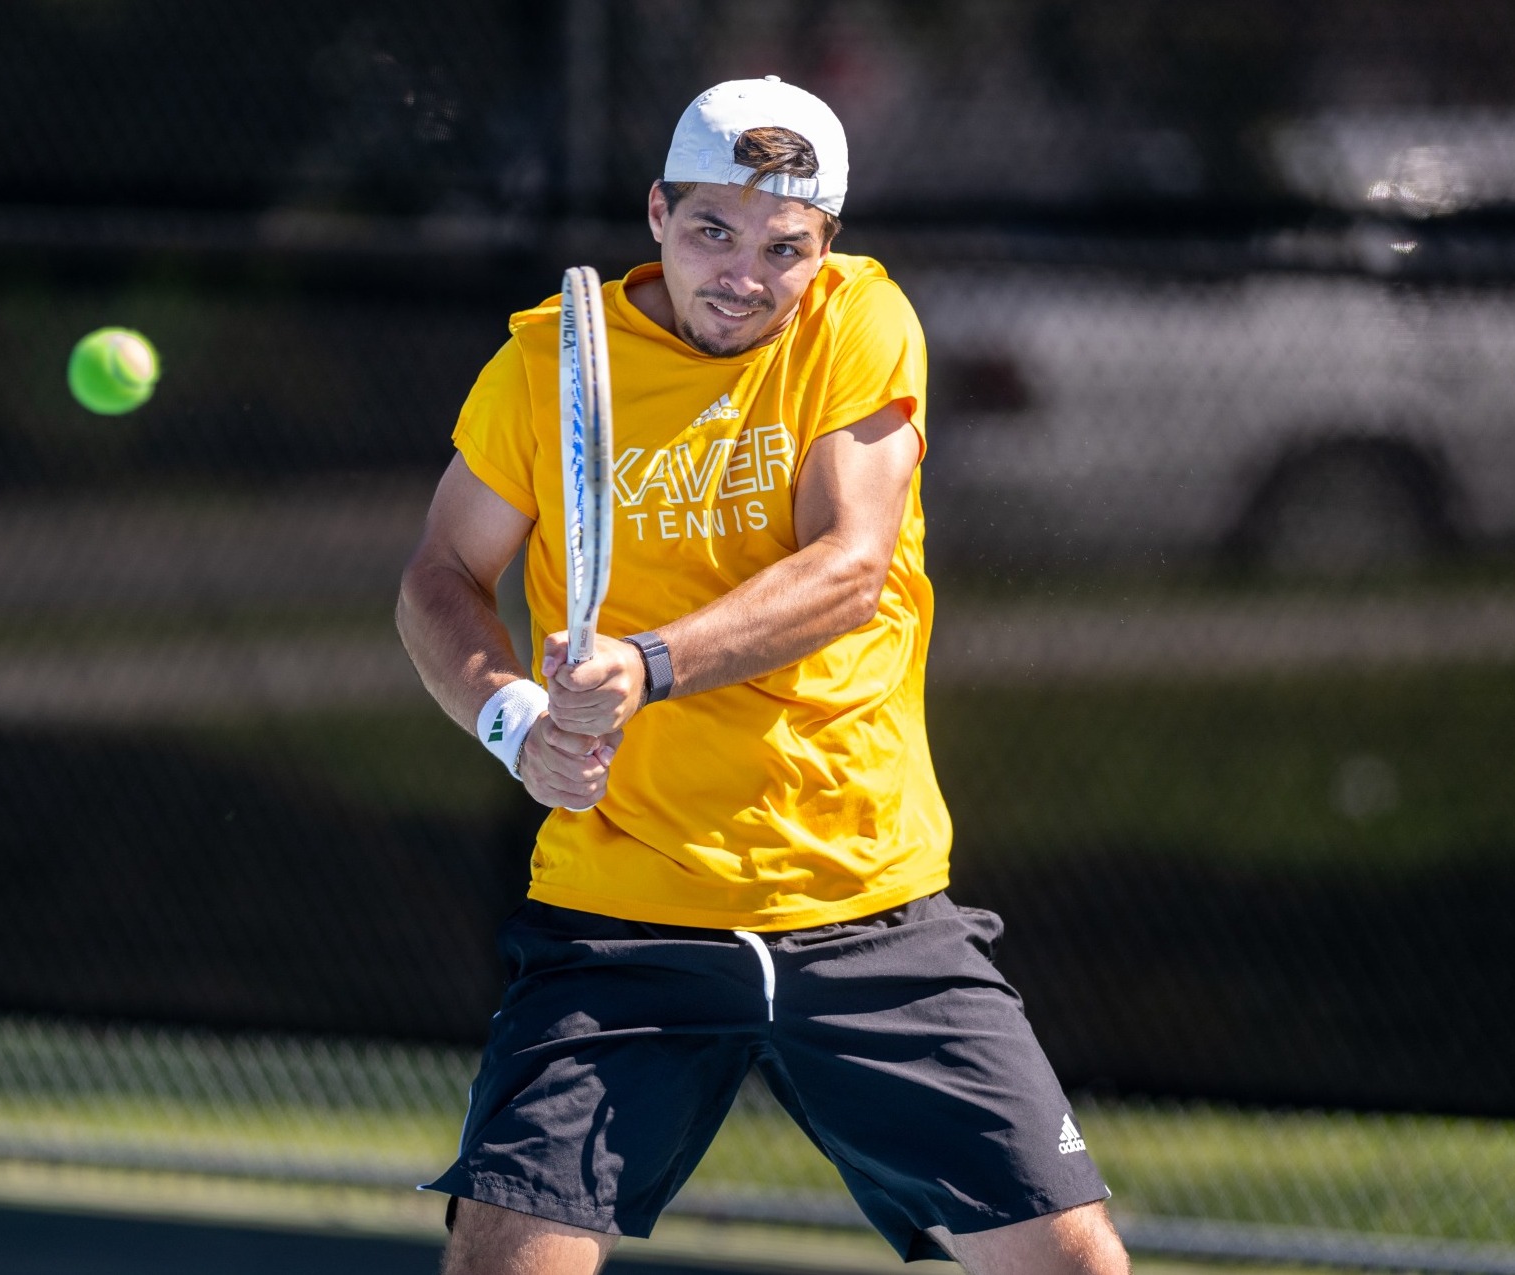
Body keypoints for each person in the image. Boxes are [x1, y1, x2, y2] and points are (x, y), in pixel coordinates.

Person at [396, 77, 1131, 1275]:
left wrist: (644, 665)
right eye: (712, 232)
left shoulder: (862, 325)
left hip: (862, 901)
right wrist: (511, 717)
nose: (744, 272)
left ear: (826, 247)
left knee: (1074, 1267)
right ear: (656, 216)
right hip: (622, 918)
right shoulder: (549, 363)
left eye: (785, 247)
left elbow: (849, 567)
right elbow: (439, 577)